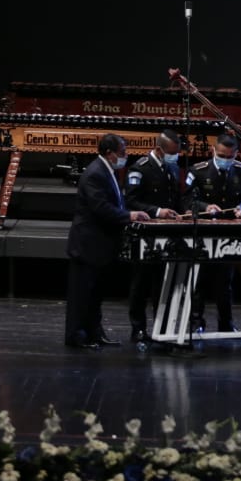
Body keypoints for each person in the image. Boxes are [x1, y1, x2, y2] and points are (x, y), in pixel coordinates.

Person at [64, 134, 150, 349]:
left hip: (100, 246)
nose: (125, 156)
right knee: (82, 295)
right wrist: (129, 216)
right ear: (109, 153)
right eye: (122, 152)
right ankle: (76, 336)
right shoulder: (95, 173)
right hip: (87, 245)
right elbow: (101, 208)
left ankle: (94, 333)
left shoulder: (107, 171)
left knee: (95, 295)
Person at [183, 133, 241, 334]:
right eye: (221, 155)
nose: (225, 159)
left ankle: (226, 324)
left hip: (227, 233)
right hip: (203, 232)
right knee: (199, 280)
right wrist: (205, 207)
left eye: (229, 156)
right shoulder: (198, 171)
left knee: (225, 282)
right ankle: (196, 322)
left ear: (236, 154)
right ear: (214, 150)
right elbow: (187, 200)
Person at [124, 129, 185, 344]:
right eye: (172, 153)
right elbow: (131, 202)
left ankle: (164, 328)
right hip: (145, 236)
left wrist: (183, 212)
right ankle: (138, 328)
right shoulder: (139, 168)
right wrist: (158, 211)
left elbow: (175, 198)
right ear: (159, 150)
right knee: (141, 283)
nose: (175, 156)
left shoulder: (173, 168)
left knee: (164, 284)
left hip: (168, 235)